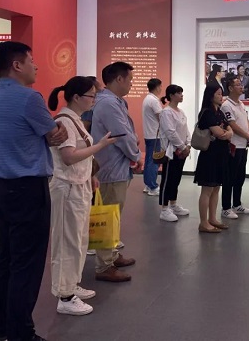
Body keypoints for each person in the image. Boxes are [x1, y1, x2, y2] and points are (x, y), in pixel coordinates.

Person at [0, 41, 68, 341]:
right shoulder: (30, 98)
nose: (36, 65)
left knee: (6, 259)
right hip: (29, 189)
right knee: (27, 265)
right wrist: (53, 132)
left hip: (1, 187)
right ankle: (21, 333)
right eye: (31, 60)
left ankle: (2, 328)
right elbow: (56, 135)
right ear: (17, 65)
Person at [47, 76, 116, 316]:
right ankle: (64, 295)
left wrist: (90, 175)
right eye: (91, 96)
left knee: (78, 240)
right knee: (67, 242)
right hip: (67, 188)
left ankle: (71, 284)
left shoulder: (74, 120)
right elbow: (68, 157)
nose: (94, 100)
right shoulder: (64, 121)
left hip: (78, 186)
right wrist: (101, 145)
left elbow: (79, 155)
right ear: (76, 97)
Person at [91, 61, 143, 282]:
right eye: (130, 79)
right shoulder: (109, 104)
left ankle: (111, 255)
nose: (131, 83)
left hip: (116, 166)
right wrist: (136, 155)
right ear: (119, 79)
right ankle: (104, 265)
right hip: (110, 168)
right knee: (107, 216)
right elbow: (121, 134)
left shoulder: (114, 102)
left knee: (113, 214)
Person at [193, 85, 233, 233]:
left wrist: (227, 133)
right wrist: (226, 133)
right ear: (211, 95)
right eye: (218, 94)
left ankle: (212, 218)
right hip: (209, 155)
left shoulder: (219, 112)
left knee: (216, 188)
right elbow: (218, 133)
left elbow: (228, 129)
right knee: (207, 189)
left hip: (220, 154)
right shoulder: (207, 113)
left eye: (221, 94)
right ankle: (203, 222)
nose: (221, 96)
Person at [221, 77, 249, 219]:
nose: (241, 87)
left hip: (243, 146)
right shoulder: (226, 105)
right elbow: (233, 125)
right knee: (229, 177)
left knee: (240, 176)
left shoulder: (241, 104)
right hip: (233, 146)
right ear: (230, 88)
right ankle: (226, 207)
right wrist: (247, 136)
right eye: (238, 85)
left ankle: (236, 204)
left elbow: (245, 121)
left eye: (241, 84)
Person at [157, 84, 191, 222]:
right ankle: (164, 209)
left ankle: (173, 204)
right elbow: (170, 132)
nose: (182, 95)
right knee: (168, 179)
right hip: (171, 152)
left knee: (176, 179)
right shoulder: (166, 112)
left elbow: (186, 130)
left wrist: (188, 144)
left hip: (182, 151)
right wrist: (182, 146)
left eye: (182, 92)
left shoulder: (181, 112)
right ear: (171, 95)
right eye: (179, 93)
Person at [142, 78, 163, 196]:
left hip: (150, 134)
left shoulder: (148, 98)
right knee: (154, 161)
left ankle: (148, 184)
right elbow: (161, 117)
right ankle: (152, 186)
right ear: (157, 87)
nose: (161, 89)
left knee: (149, 160)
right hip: (155, 135)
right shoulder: (154, 101)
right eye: (160, 86)